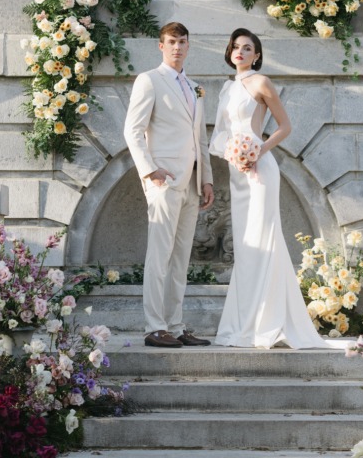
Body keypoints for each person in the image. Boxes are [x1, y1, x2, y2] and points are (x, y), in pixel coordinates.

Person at [210, 28, 328, 349]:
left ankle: (264, 323)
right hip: (237, 170)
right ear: (230, 52)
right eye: (235, 47)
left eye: (247, 48)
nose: (240, 52)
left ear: (257, 55)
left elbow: (285, 126)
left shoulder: (260, 83)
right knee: (247, 246)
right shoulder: (226, 88)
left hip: (260, 169)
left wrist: (257, 150)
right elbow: (219, 134)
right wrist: (232, 151)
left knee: (263, 239)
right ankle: (243, 323)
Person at [123, 21, 215, 348]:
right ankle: (154, 326)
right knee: (159, 257)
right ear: (161, 46)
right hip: (164, 181)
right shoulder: (149, 80)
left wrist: (206, 180)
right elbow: (132, 131)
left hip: (191, 184)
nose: (177, 47)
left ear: (189, 46)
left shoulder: (194, 87)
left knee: (181, 260)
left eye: (182, 42)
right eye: (172, 42)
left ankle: (176, 326)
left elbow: (200, 139)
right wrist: (150, 171)